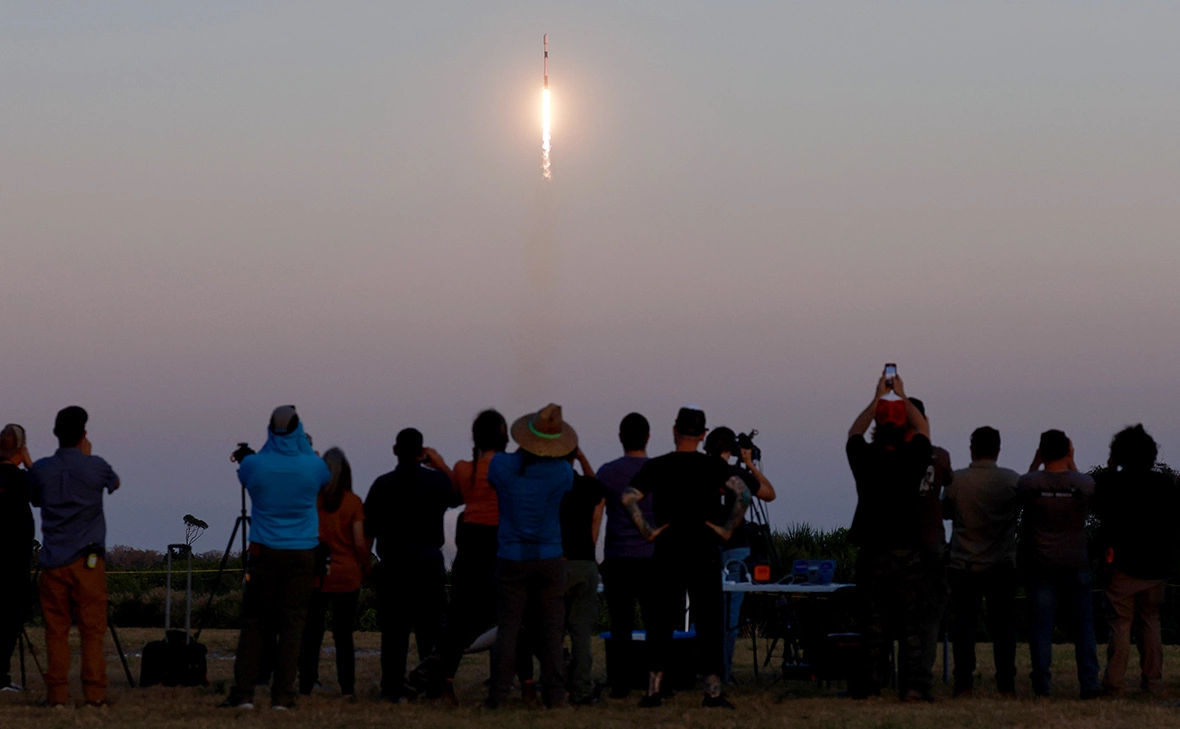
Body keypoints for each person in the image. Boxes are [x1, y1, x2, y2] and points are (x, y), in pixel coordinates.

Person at [623, 406, 752, 710]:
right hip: (703, 549)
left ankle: (654, 690)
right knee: (709, 621)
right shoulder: (712, 467)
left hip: (667, 548)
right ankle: (713, 692)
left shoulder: (659, 465)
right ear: (703, 434)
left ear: (674, 431)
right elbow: (744, 494)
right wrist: (726, 530)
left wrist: (648, 531)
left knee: (660, 620)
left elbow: (628, 497)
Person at [221, 405, 331, 710]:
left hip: (264, 552)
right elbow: (323, 481)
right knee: (293, 625)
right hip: (302, 554)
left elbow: (245, 474)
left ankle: (243, 693)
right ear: (299, 428)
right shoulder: (314, 467)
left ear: (270, 428)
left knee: (255, 623)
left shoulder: (254, 465)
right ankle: (283, 697)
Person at [844, 375, 934, 701]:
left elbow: (854, 432)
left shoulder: (864, 457)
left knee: (873, 625)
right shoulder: (914, 457)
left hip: (873, 550)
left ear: (878, 426)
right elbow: (924, 430)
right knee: (912, 627)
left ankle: (868, 687)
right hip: (909, 550)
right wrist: (904, 395)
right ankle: (913, 689)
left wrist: (875, 399)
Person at [484, 404, 576, 709]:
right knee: (551, 630)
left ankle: (497, 695)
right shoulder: (563, 473)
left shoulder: (500, 465)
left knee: (508, 628)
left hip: (511, 556)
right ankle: (554, 695)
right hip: (550, 556)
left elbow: (495, 481)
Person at [29, 407, 120, 707]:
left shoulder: (41, 469)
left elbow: (34, 496)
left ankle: (57, 695)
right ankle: (94, 694)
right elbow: (114, 483)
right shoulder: (96, 466)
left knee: (55, 631)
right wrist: (87, 456)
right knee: (92, 630)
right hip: (88, 562)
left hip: (53, 561)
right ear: (84, 434)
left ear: (55, 434)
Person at [364, 428, 454, 702]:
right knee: (431, 628)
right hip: (428, 561)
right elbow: (457, 495)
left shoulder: (382, 484)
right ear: (421, 451)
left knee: (394, 631)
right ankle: (432, 684)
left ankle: (392, 687)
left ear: (395, 450)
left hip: (394, 563)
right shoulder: (437, 482)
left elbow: (369, 528)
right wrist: (439, 464)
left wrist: (366, 564)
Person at [1093, 425, 1178, 697]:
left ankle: (1114, 684)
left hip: (1122, 565)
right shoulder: (1164, 483)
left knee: (1120, 624)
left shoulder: (1112, 484)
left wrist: (1110, 472)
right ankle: (1152, 682)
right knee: (1151, 622)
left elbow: (1100, 511)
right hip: (1156, 565)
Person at [1017, 429, 1100, 699]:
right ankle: (1088, 683)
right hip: (1076, 563)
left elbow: (1021, 487)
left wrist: (1035, 462)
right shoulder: (1084, 484)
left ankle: (1041, 684)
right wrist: (1072, 462)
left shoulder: (1030, 483)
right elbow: (1086, 486)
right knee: (1083, 625)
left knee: (1041, 626)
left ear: (1042, 451)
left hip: (1040, 564)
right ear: (1067, 450)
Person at [436, 409, 509, 704]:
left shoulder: (465, 469)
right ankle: (525, 684)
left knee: (459, 619)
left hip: (471, 547)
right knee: (510, 616)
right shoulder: (510, 467)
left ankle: (444, 683)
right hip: (501, 545)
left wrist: (440, 465)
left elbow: (456, 497)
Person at [942, 426, 1020, 697]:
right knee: (1004, 628)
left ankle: (963, 682)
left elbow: (945, 511)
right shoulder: (1011, 481)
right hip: (1001, 565)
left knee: (964, 628)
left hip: (964, 565)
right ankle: (1006, 683)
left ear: (971, 448)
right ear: (998, 449)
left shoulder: (956, 481)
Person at [703, 426, 776, 685]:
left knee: (705, 611)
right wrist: (749, 465)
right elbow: (769, 493)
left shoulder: (701, 472)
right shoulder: (737, 474)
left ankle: (707, 668)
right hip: (736, 548)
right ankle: (724, 670)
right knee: (730, 615)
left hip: (706, 547)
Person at [298, 447, 369, 699]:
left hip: (317, 574)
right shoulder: (353, 502)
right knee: (343, 635)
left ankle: (305, 685)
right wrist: (366, 566)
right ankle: (347, 689)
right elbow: (360, 544)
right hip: (347, 576)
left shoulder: (311, 501)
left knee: (311, 634)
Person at [597, 412, 656, 698]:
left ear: (620, 437)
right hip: (652, 557)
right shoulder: (658, 471)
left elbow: (595, 513)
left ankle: (619, 684)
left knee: (620, 622)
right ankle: (657, 683)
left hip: (618, 556)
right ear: (647, 437)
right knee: (656, 622)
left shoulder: (607, 472)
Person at [906, 398, 953, 699]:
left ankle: (888, 675)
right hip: (932, 540)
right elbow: (946, 480)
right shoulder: (940, 456)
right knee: (931, 613)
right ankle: (921, 677)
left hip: (899, 540)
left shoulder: (889, 455)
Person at [558, 449, 605, 705]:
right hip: (585, 563)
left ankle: (554, 686)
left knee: (553, 631)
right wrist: (584, 457)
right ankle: (582, 690)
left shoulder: (551, 487)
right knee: (581, 634)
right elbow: (597, 485)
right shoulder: (586, 486)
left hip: (556, 562)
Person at [0, 424, 35, 693]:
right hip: (12, 562)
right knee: (11, 617)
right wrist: (29, 465)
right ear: (20, 448)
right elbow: (40, 495)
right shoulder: (19, 479)